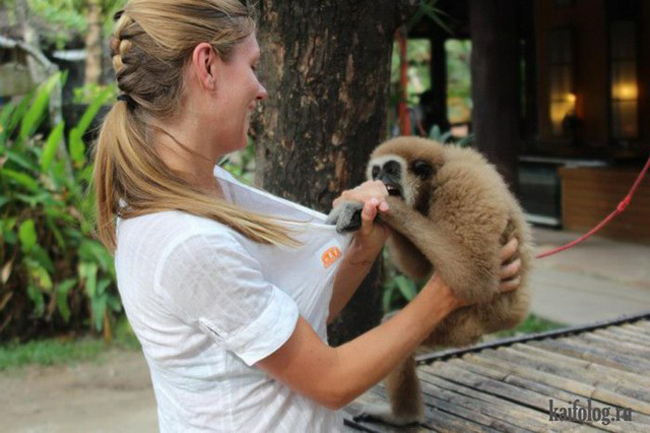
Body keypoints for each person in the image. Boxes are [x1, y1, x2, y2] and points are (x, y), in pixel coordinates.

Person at [92, 1, 522, 431]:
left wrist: (362, 251)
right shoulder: (187, 240)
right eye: (253, 66)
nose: (261, 89)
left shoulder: (210, 189)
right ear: (207, 66)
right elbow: (330, 380)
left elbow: (292, 320)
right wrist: (448, 291)